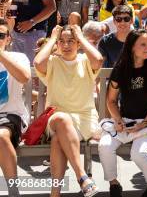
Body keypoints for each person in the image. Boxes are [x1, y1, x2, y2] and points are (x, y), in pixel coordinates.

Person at [33, 25, 103, 197]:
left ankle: (55, 193)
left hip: (84, 119)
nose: (66, 45)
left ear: (78, 43)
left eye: (71, 41)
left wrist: (80, 35)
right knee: (63, 120)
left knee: (59, 139)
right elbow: (37, 63)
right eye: (62, 42)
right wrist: (52, 38)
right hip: (55, 118)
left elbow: (99, 60)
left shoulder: (86, 61)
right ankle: (82, 176)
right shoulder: (52, 62)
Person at [99, 30, 147, 197]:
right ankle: (114, 184)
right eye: (143, 44)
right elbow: (111, 101)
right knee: (105, 146)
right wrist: (118, 120)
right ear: (131, 47)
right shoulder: (120, 69)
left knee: (139, 154)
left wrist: (143, 124)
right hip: (126, 123)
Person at [0, 19, 31, 197]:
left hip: (11, 116)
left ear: (8, 39)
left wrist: (0, 54)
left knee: (1, 136)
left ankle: (13, 190)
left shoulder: (18, 57)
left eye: (0, 36)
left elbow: (24, 77)